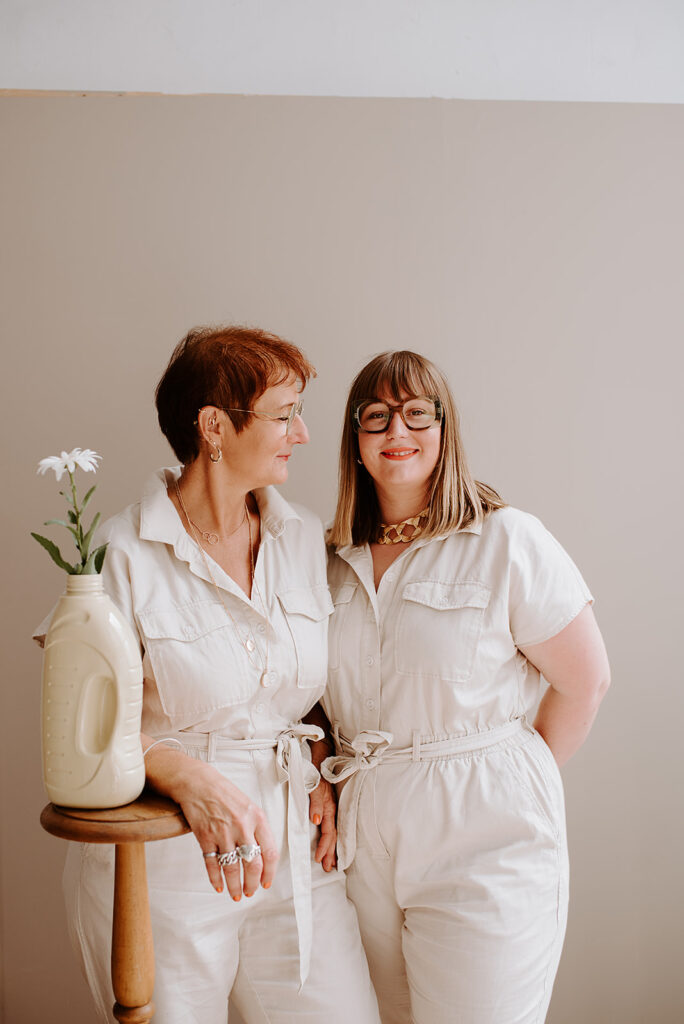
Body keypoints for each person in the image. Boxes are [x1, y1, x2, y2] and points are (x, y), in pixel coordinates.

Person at [39, 326, 379, 1024]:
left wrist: (318, 747)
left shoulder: (301, 539)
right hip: (165, 860)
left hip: (296, 855)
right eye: (284, 414)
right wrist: (184, 775)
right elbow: (76, 735)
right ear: (214, 427)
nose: (302, 433)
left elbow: (294, 688)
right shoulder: (119, 553)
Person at [321, 350, 611, 1024]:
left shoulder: (505, 539)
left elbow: (587, 681)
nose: (397, 430)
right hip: (363, 841)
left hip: (482, 831)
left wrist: (508, 777)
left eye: (416, 413)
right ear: (356, 439)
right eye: (376, 416)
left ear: (444, 429)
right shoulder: (330, 559)